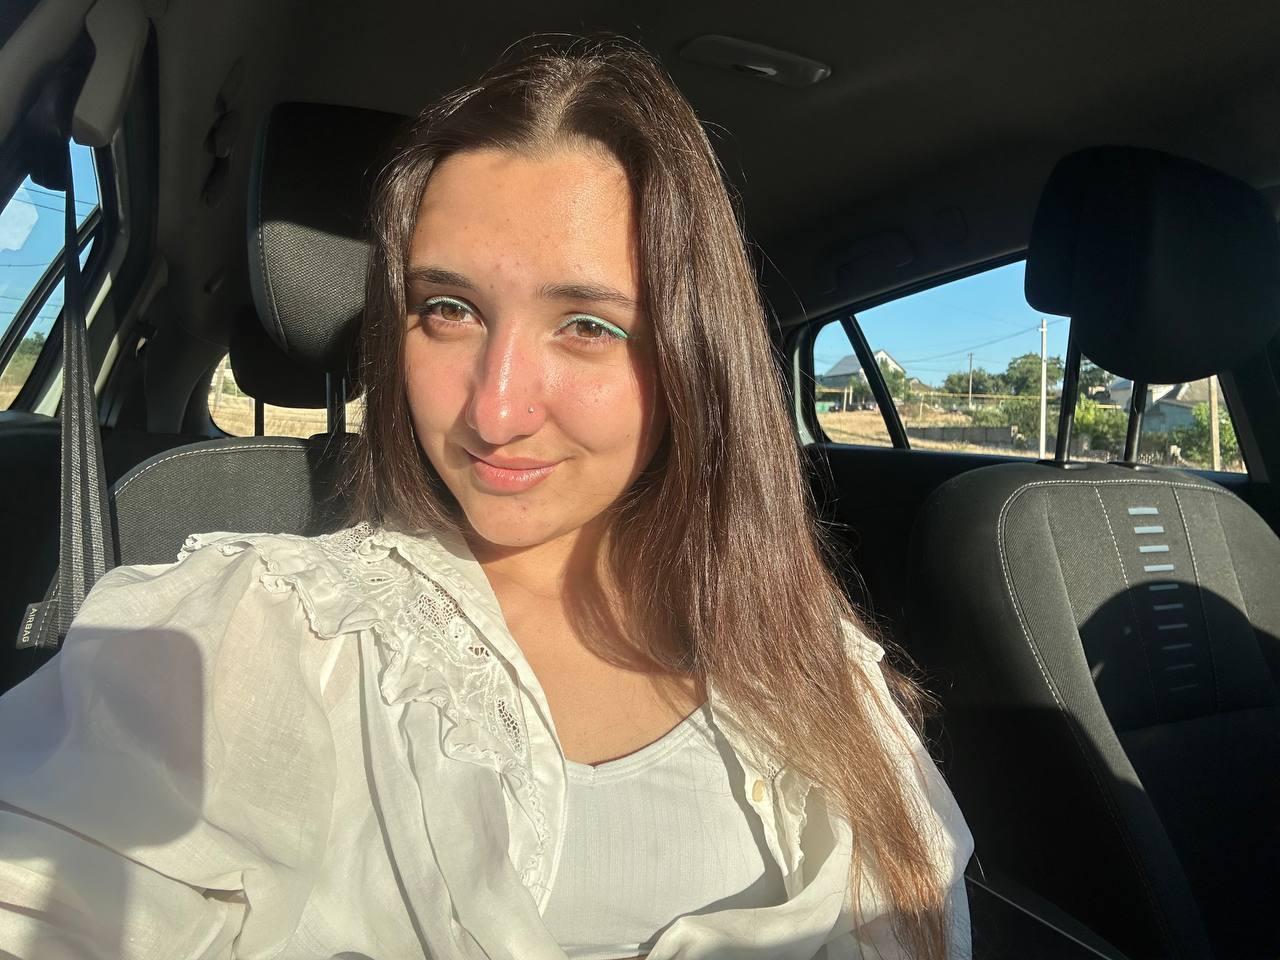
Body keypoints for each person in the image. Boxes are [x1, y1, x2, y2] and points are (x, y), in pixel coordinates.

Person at [0, 37, 973, 959]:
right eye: (448, 310)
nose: (495, 411)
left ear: (694, 360)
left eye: (587, 325)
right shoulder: (264, 632)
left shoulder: (819, 665)